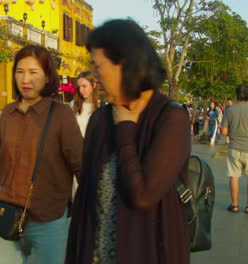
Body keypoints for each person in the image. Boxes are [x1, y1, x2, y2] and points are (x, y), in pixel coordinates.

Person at [66, 19, 191, 264]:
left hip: (150, 253)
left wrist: (125, 128)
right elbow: (84, 201)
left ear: (124, 64)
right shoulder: (100, 119)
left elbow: (143, 195)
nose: (96, 77)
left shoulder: (170, 118)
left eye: (99, 66)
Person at [0, 45, 83, 264]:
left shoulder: (61, 115)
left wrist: (91, 211)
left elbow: (81, 166)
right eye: (20, 71)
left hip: (49, 220)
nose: (25, 79)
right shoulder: (8, 114)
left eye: (34, 72)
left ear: (47, 77)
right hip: (9, 215)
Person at [221, 84, 248, 214]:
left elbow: (224, 132)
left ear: (236, 95)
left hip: (234, 147)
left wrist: (234, 135)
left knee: (234, 176)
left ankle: (234, 205)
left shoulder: (229, 110)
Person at [70, 71, 100, 137]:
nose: (80, 90)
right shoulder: (73, 104)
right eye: (79, 87)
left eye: (84, 86)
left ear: (94, 85)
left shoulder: (101, 106)